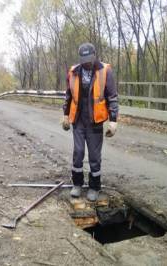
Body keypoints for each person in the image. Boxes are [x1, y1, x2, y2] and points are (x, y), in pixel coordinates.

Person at [62, 43, 119, 202]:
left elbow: (112, 97)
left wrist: (113, 121)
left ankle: (94, 186)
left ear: (94, 55)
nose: (87, 62)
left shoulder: (104, 71)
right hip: (78, 120)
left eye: (89, 58)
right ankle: (77, 184)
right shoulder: (74, 72)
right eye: (84, 59)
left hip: (95, 121)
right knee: (78, 153)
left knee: (94, 156)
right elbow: (68, 95)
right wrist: (66, 115)